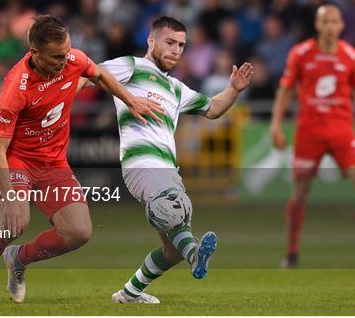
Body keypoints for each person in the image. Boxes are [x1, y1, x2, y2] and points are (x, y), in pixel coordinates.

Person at [0, 15, 163, 305]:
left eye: (67, 51)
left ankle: (18, 258)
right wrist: (8, 197)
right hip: (18, 160)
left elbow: (98, 74)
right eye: (57, 56)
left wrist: (130, 101)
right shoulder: (16, 88)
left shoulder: (73, 59)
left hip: (54, 162)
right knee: (14, 223)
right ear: (35, 53)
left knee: (78, 232)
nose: (64, 60)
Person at [79, 16, 252, 303]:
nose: (175, 50)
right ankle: (195, 253)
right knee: (173, 207)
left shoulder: (176, 89)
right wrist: (57, 107)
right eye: (170, 42)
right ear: (151, 40)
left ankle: (130, 293)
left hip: (168, 168)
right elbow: (88, 76)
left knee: (171, 249)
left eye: (181, 45)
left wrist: (233, 89)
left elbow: (212, 109)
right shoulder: (131, 67)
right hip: (141, 163)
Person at [270, 5, 355, 269]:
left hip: (342, 131)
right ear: (317, 25)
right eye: (325, 21)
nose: (329, 26)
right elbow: (285, 90)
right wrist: (276, 126)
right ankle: (291, 251)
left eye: (334, 22)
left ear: (341, 26)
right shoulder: (301, 53)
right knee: (300, 192)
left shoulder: (350, 55)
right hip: (309, 131)